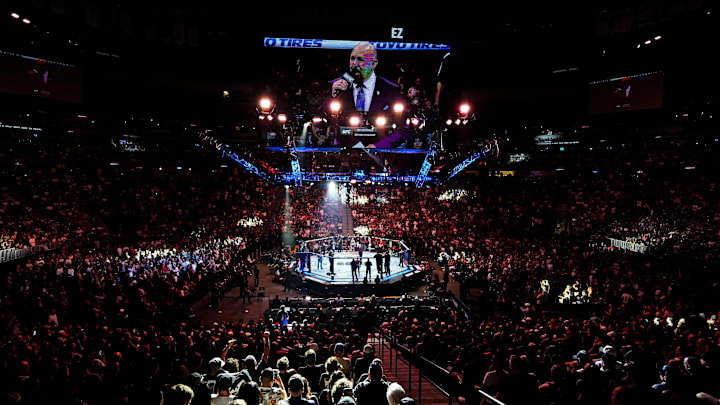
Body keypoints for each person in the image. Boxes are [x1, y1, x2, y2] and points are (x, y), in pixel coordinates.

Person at [328, 42, 402, 113]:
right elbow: (320, 115)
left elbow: (400, 119)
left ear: (374, 63)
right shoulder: (334, 84)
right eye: (352, 59)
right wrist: (333, 97)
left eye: (361, 59)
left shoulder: (391, 89)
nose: (354, 64)